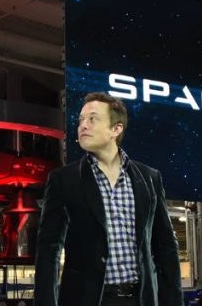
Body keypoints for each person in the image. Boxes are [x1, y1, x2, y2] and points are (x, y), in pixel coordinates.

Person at [34, 92, 183, 306]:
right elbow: (48, 250)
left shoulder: (150, 178)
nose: (83, 126)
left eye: (92, 119)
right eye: (81, 120)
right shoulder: (63, 180)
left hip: (140, 299)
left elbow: (166, 248)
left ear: (116, 129)